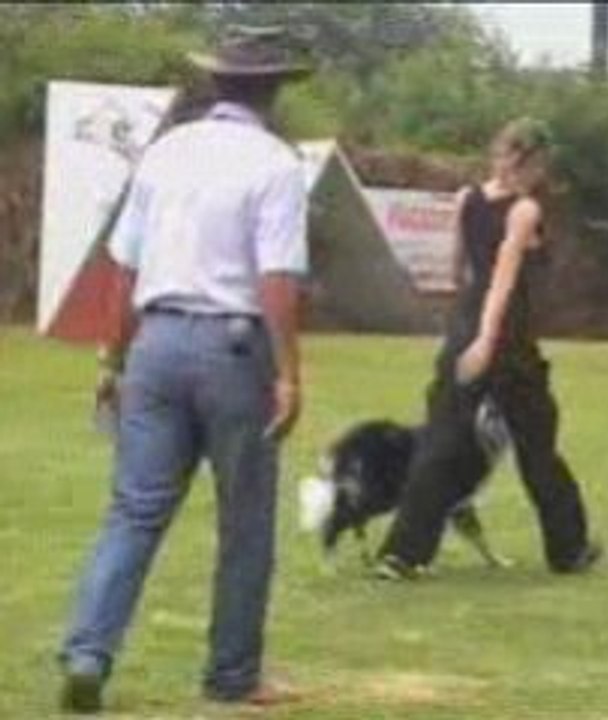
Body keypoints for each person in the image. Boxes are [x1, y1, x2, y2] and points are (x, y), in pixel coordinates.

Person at [58, 29, 310, 712]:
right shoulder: (277, 164)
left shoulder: (165, 153)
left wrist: (112, 356)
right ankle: (233, 677)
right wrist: (288, 372)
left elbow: (125, 266)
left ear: (217, 85)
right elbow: (277, 277)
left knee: (134, 512)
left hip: (156, 342)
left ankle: (88, 650)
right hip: (233, 349)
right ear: (275, 90)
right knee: (244, 522)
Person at [376, 118, 601, 580]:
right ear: (532, 161)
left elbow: (459, 270)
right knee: (537, 445)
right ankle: (569, 548)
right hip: (508, 338)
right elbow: (504, 274)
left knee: (441, 438)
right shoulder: (524, 211)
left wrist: (461, 327)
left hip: (467, 324)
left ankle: (404, 553)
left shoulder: (465, 199)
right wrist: (486, 337)